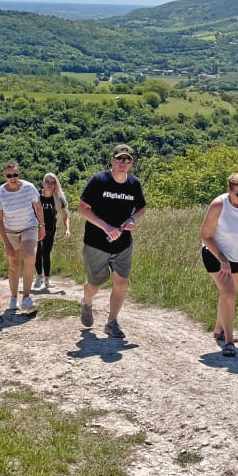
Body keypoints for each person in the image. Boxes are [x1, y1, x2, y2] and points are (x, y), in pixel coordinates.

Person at [78, 143, 146, 338]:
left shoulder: (134, 184)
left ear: (131, 163)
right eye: (119, 159)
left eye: (127, 160)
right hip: (96, 243)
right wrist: (106, 227)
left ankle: (111, 322)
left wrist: (132, 219)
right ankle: (87, 302)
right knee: (95, 284)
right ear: (112, 160)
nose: (123, 163)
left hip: (123, 244)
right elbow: (82, 208)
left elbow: (141, 208)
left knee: (122, 282)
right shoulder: (99, 180)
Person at [199, 173, 238, 358]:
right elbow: (205, 235)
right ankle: (228, 341)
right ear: (229, 190)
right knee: (228, 293)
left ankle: (219, 329)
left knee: (229, 294)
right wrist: (223, 260)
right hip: (215, 254)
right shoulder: (218, 205)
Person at [0, 161, 44, 311]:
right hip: (10, 230)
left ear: (19, 174)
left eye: (15, 174)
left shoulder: (29, 188)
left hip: (29, 226)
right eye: (9, 176)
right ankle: (14, 297)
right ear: (4, 176)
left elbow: (38, 207)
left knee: (30, 256)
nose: (13, 178)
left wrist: (42, 226)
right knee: (14, 264)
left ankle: (26, 297)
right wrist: (6, 242)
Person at [34, 172, 70, 289]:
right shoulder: (36, 195)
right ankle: (39, 276)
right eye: (47, 182)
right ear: (43, 183)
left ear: (55, 184)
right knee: (37, 252)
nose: (50, 185)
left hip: (50, 229)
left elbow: (65, 215)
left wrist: (67, 229)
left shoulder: (57, 198)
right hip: (36, 227)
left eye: (52, 183)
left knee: (46, 253)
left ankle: (47, 280)